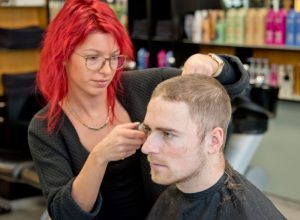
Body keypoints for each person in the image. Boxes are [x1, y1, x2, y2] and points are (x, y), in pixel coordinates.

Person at [28, 0, 249, 219]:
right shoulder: (46, 128)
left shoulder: (149, 87)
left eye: (114, 58)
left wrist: (212, 63)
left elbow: (231, 87)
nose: (107, 70)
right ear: (63, 57)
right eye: (93, 58)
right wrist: (99, 157)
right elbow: (65, 214)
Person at [141, 74, 286, 220]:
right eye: (147, 129)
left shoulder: (247, 215)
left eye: (167, 134)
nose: (146, 147)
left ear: (214, 141)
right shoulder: (177, 189)